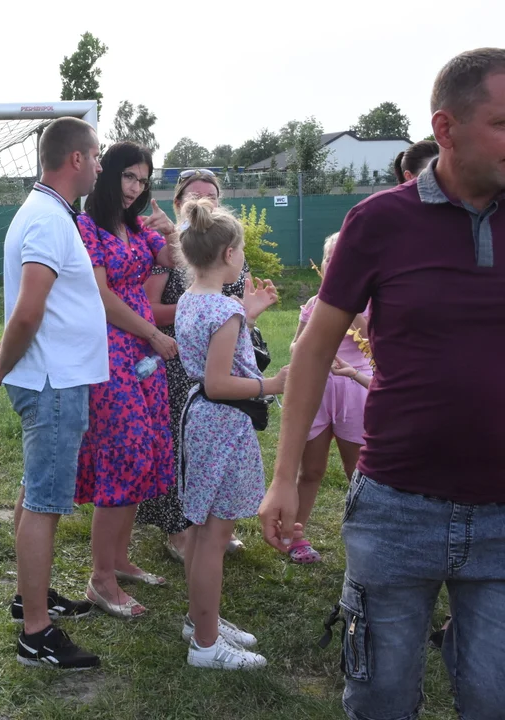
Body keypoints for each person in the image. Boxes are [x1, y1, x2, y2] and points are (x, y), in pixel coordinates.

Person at [259, 47, 505, 718]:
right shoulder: (380, 222)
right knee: (382, 696)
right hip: (398, 511)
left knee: (493, 694)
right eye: (503, 122)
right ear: (447, 129)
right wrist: (283, 477)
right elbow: (312, 352)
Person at [0, 116, 106, 670]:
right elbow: (29, 310)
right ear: (75, 159)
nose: (100, 164)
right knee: (46, 505)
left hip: (52, 376)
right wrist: (5, 357)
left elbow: (35, 311)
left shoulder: (47, 213)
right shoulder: (49, 220)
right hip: (52, 383)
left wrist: (6, 353)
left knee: (37, 491)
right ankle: (35, 634)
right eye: (96, 156)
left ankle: (33, 597)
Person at [138, 169, 278, 562]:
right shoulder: (172, 251)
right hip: (187, 361)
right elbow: (150, 308)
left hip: (218, 354)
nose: (206, 200)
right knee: (180, 447)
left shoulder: (226, 247)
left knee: (210, 453)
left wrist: (242, 315)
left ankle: (211, 524)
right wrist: (216, 318)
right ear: (178, 202)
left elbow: (232, 302)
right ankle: (181, 531)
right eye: (196, 195)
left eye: (212, 194)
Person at [174, 197, 288, 670]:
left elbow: (213, 355)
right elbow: (221, 382)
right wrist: (273, 384)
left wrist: (250, 313)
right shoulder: (225, 311)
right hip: (222, 427)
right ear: (228, 255)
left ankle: (202, 618)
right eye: (240, 248)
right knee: (214, 537)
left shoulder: (192, 300)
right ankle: (205, 645)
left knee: (202, 533)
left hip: (201, 422)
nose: (243, 256)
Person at [72, 141, 179, 619]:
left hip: (143, 354)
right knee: (124, 456)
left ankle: (119, 559)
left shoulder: (136, 226)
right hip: (114, 350)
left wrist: (169, 230)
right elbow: (100, 297)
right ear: (107, 174)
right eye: (128, 177)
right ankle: (100, 579)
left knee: (143, 454)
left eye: (143, 179)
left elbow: (177, 262)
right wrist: (154, 333)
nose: (136, 188)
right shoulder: (87, 227)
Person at [285, 232, 372, 564]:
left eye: (342, 259)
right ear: (321, 265)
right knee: (311, 470)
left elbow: (371, 344)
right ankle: (295, 536)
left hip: (356, 389)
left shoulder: (369, 304)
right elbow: (295, 346)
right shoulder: (313, 305)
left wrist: (353, 309)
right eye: (329, 258)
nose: (335, 265)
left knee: (360, 472)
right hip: (319, 390)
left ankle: (366, 536)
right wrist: (310, 350)